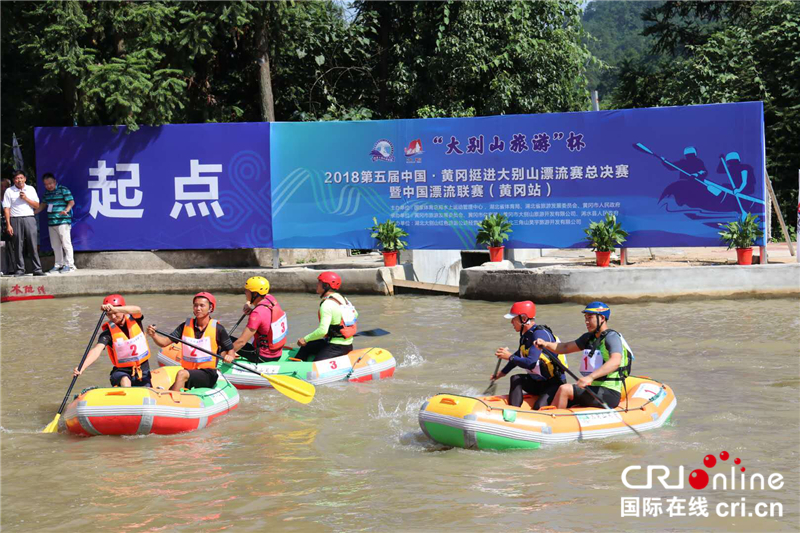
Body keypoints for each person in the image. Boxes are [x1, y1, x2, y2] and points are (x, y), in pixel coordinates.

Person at [535, 301, 634, 410]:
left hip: (609, 393)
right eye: (585, 318)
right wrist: (545, 344)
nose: (586, 321)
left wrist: (590, 377)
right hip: (594, 388)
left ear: (601, 318)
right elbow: (565, 347)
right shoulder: (589, 338)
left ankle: (553, 421)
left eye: (590, 317)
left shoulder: (611, 337)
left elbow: (615, 362)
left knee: (564, 389)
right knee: (563, 391)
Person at [147, 292, 235, 391]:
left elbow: (230, 350)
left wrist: (229, 356)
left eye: (202, 305)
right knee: (176, 381)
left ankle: (174, 403)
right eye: (195, 305)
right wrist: (153, 335)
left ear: (210, 308)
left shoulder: (218, 329)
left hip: (208, 374)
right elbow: (164, 342)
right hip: (189, 372)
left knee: (181, 374)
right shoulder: (184, 326)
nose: (198, 308)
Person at [490, 301, 567, 409]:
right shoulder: (525, 336)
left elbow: (530, 363)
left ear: (524, 318)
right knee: (516, 378)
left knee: (538, 407)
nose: (512, 322)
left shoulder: (539, 334)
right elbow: (519, 354)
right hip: (538, 383)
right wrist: (502, 373)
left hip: (554, 385)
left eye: (514, 318)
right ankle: (513, 411)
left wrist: (509, 357)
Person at [73, 295, 152, 387]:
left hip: (142, 371)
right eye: (109, 314)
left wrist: (114, 309)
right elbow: (96, 350)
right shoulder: (108, 333)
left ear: (122, 310)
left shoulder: (135, 319)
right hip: (121, 372)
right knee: (125, 380)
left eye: (116, 313)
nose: (113, 316)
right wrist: (82, 367)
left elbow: (137, 309)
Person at [295, 271, 358, 362]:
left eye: (319, 283)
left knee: (315, 363)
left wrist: (305, 339)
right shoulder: (343, 298)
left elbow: (322, 331)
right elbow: (355, 314)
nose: (317, 285)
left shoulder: (327, 304)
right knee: (308, 346)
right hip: (347, 343)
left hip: (337, 346)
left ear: (326, 286)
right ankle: (295, 365)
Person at [232, 276, 288, 363]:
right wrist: (249, 304)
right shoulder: (271, 299)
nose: (245, 292)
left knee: (224, 339)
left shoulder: (256, 314)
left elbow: (241, 342)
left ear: (255, 294)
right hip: (277, 353)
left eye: (247, 291)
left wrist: (227, 353)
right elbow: (263, 315)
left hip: (262, 357)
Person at [2, 170, 44, 276]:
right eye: (17, 178)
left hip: (29, 218)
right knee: (17, 245)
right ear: (14, 180)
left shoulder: (30, 189)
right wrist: (8, 224)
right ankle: (20, 269)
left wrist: (25, 198)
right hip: (15, 219)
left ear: (25, 178)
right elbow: (6, 208)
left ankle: (37, 269)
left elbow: (37, 205)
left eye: (21, 178)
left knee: (32, 244)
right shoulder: (9, 191)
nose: (19, 180)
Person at [35, 172, 75, 273]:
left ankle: (70, 265)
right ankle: (58, 265)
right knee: (55, 245)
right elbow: (42, 205)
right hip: (51, 223)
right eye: (46, 184)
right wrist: (31, 213)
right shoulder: (46, 193)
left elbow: (71, 202)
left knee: (66, 243)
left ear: (55, 182)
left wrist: (66, 210)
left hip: (63, 221)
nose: (48, 186)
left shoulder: (63, 189)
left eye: (50, 183)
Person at [1, 178, 11, 275]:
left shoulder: (11, 196)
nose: (3, 189)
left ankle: (13, 268)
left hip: (11, 224)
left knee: (12, 247)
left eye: (6, 186)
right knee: (1, 247)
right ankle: (3, 269)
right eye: (1, 186)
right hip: (1, 226)